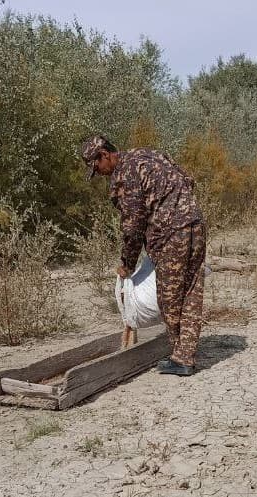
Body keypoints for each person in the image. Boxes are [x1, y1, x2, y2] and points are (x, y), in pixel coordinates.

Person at [80, 135, 206, 376]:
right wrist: (181, 208)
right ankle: (184, 356)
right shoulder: (149, 154)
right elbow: (189, 181)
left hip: (171, 234)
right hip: (196, 225)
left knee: (170, 297)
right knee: (191, 290)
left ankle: (181, 358)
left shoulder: (124, 176)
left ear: (104, 155)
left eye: (97, 166)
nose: (100, 172)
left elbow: (133, 226)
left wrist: (127, 263)